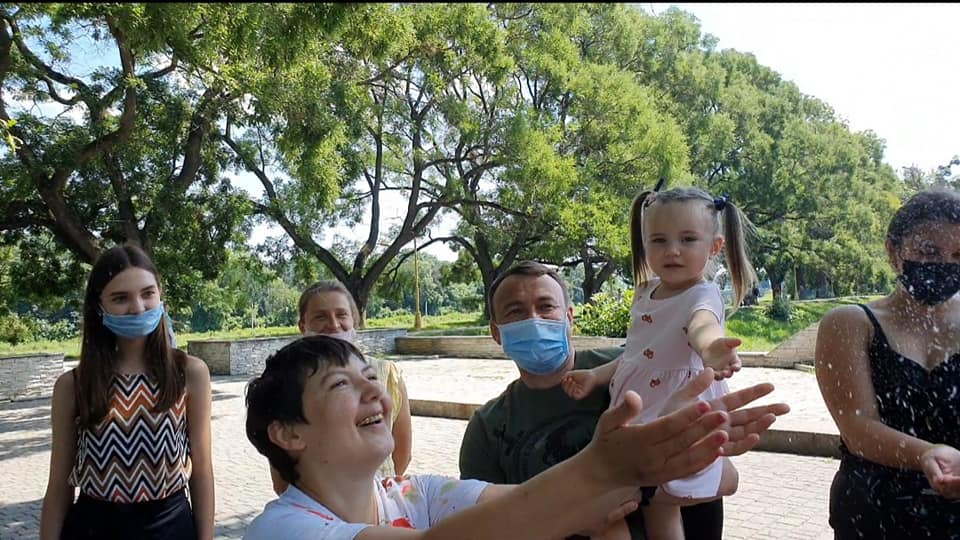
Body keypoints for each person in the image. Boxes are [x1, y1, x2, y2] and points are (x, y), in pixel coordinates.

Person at [243, 335, 787, 539]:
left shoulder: (415, 495)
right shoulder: (283, 530)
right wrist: (604, 465)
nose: (373, 391)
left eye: (370, 376)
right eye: (341, 384)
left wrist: (661, 452)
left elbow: (541, 506)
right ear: (288, 433)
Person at [459, 261, 766, 539]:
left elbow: (726, 479)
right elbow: (480, 524)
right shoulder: (487, 428)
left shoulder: (635, 372)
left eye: (546, 306)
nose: (534, 320)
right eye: (515, 312)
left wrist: (632, 490)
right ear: (496, 333)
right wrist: (570, 519)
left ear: (569, 317)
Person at [560, 187, 757, 539]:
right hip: (639, 407)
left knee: (664, 493)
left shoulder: (702, 293)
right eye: (659, 240)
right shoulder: (644, 291)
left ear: (714, 247)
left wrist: (711, 348)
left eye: (688, 239)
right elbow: (637, 354)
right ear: (644, 244)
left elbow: (702, 324)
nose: (672, 250)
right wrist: (595, 376)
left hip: (678, 407)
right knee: (655, 502)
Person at [39, 245, 214, 540]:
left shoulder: (189, 373)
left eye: (147, 293)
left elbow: (203, 471)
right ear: (99, 306)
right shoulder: (74, 385)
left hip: (170, 526)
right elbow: (59, 484)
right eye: (120, 298)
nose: (138, 307)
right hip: (94, 528)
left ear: (160, 294)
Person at [815, 187, 960, 539]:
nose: (945, 265)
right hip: (873, 509)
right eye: (929, 251)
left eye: (959, 255)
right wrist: (927, 454)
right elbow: (858, 428)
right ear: (893, 250)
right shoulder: (850, 323)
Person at [269, 280, 413, 495]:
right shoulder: (288, 382)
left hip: (381, 501)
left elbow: (402, 451)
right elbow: (281, 472)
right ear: (303, 326)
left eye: (341, 315)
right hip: (315, 505)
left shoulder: (386, 374)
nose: (334, 325)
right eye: (321, 317)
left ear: (354, 320)